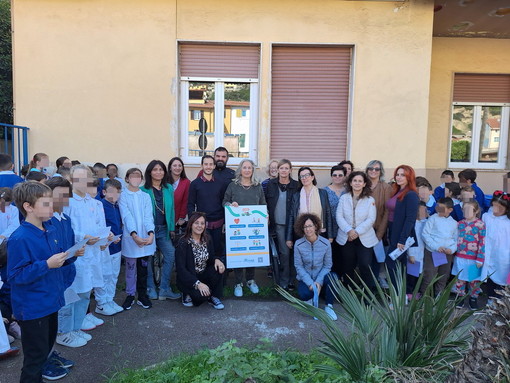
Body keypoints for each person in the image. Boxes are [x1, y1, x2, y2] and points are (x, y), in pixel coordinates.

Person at [7, 182, 72, 382]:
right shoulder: (20, 238)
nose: (52, 207)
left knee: (45, 352)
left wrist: (72, 255)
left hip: (51, 302)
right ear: (28, 207)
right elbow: (16, 276)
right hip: (33, 308)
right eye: (46, 203)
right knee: (34, 360)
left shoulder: (49, 228)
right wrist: (46, 265)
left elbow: (56, 258)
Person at [43, 177, 85, 379]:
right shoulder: (46, 220)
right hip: (52, 274)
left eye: (65, 193)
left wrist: (76, 252)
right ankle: (45, 358)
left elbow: (68, 244)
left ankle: (51, 353)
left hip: (66, 271)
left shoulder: (65, 219)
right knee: (49, 319)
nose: (63, 198)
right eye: (59, 193)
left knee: (62, 307)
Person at [63, 165, 106, 333]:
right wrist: (83, 237)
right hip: (78, 253)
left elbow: (98, 225)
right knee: (75, 291)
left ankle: (79, 324)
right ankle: (70, 329)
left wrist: (103, 237)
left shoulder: (92, 202)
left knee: (87, 290)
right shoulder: (68, 202)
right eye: (77, 179)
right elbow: (67, 229)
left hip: (92, 252)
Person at [223, 159, 266, 297]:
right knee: (238, 254)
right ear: (240, 170)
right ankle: (238, 283)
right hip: (237, 227)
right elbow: (224, 202)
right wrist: (230, 205)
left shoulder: (257, 186)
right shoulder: (232, 186)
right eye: (244, 167)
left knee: (252, 253)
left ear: (253, 170)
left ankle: (250, 280)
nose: (247, 170)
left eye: (249, 168)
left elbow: (263, 204)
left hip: (253, 226)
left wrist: (267, 216)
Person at [141, 160, 180, 301]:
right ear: (150, 172)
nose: (158, 172)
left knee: (171, 255)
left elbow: (172, 209)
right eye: (155, 169)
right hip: (148, 231)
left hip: (164, 230)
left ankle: (164, 289)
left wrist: (172, 228)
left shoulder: (168, 188)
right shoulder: (143, 190)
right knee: (149, 259)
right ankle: (150, 287)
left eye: (161, 169)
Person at [119, 168, 155, 310]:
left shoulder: (145, 196)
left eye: (138, 176)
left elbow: (148, 216)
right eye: (132, 176)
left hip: (146, 238)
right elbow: (126, 216)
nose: (135, 179)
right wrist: (134, 235)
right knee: (130, 268)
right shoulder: (123, 196)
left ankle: (142, 295)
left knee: (143, 269)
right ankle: (129, 295)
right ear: (127, 178)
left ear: (141, 179)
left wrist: (150, 233)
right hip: (131, 238)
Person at [336, 171, 378, 289]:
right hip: (346, 237)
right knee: (348, 266)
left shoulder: (370, 200)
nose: (357, 183)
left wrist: (357, 232)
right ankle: (349, 292)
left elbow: (371, 219)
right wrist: (349, 230)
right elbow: (339, 216)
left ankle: (368, 294)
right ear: (350, 182)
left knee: (365, 265)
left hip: (364, 238)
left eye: (360, 181)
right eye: (355, 181)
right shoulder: (344, 198)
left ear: (364, 184)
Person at [175, 212, 225, 309]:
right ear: (191, 225)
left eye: (202, 223)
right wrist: (198, 284)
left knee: (220, 267)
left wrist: (217, 260)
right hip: (189, 278)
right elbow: (181, 269)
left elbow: (211, 258)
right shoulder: (183, 242)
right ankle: (186, 293)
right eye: (196, 223)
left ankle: (214, 296)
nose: (199, 226)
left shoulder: (207, 239)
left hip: (203, 274)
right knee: (199, 300)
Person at [293, 213, 338, 321]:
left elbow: (328, 265)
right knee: (304, 294)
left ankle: (329, 306)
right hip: (307, 278)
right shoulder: (298, 244)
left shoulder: (325, 243)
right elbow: (298, 266)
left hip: (321, 277)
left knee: (334, 277)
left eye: (310, 226)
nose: (308, 229)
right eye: (305, 227)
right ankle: (313, 300)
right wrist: (310, 283)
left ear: (316, 226)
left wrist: (318, 282)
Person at [188, 155, 227, 270]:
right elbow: (190, 204)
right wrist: (193, 222)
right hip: (202, 226)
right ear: (202, 166)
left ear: (214, 166)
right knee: (203, 253)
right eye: (206, 164)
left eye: (211, 164)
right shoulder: (195, 184)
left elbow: (224, 203)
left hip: (218, 224)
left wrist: (225, 222)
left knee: (217, 252)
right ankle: (203, 278)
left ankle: (218, 278)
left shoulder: (221, 183)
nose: (208, 167)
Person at [266, 159, 299, 290]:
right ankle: (285, 281)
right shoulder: (271, 184)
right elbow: (266, 203)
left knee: (294, 253)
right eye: (281, 168)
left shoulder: (296, 185)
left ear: (290, 170)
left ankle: (292, 279)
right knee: (284, 253)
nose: (284, 170)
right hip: (278, 224)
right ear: (277, 170)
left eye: (286, 168)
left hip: (294, 225)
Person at [384, 165, 419, 287]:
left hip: (401, 236)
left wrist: (402, 239)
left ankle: (397, 297)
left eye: (402, 175)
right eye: (397, 174)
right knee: (399, 265)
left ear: (409, 177)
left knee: (391, 264)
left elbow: (410, 219)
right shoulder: (397, 191)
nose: (399, 177)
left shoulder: (411, 195)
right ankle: (401, 297)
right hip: (393, 232)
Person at [94, 179, 123, 316]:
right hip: (105, 247)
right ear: (104, 192)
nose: (115, 195)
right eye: (112, 191)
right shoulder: (101, 206)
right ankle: (101, 303)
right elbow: (99, 227)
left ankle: (109, 299)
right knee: (104, 275)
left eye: (118, 192)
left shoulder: (116, 206)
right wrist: (108, 237)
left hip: (117, 246)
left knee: (113, 275)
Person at [286, 167, 333, 249]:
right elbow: (291, 217)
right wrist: (289, 238)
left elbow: (328, 214)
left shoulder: (322, 193)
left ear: (312, 177)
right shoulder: (296, 195)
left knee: (319, 258)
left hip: (320, 232)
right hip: (301, 232)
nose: (304, 178)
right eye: (301, 176)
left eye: (307, 175)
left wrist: (330, 235)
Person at [420, 197, 458, 296]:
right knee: (429, 275)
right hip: (433, 252)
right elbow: (425, 234)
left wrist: (451, 249)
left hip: (446, 254)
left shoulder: (454, 223)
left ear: (450, 210)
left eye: (442, 208)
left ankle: (438, 296)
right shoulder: (433, 219)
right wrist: (436, 247)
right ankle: (425, 297)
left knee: (443, 276)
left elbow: (455, 239)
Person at [451, 200, 485, 310]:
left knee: (473, 280)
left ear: (476, 211)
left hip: (474, 258)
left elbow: (482, 242)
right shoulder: (459, 224)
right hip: (460, 256)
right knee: (460, 278)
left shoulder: (480, 225)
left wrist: (480, 258)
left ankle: (473, 298)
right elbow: (454, 239)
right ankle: (460, 296)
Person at [365, 160, 392, 287]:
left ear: (381, 171)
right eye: (371, 168)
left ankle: (373, 288)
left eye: (377, 169)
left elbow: (387, 211)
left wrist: (380, 233)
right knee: (364, 260)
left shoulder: (386, 187)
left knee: (376, 260)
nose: (373, 171)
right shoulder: (362, 185)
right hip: (362, 229)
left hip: (377, 229)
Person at [481, 191, 510, 305]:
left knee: (502, 278)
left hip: (503, 256)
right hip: (487, 253)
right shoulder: (486, 217)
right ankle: (490, 300)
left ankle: (501, 303)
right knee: (489, 278)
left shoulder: (508, 223)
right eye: (495, 206)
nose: (496, 209)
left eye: (500, 207)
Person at [406, 202, 428, 300]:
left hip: (424, 252)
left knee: (420, 274)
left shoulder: (427, 222)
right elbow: (408, 240)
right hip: (414, 252)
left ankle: (418, 291)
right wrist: (410, 254)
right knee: (412, 274)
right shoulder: (412, 223)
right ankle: (410, 292)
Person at [167, 157, 190, 229]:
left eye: (180, 166)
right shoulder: (164, 181)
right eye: (174, 165)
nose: (177, 168)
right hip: (164, 217)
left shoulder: (186, 182)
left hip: (177, 219)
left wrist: (181, 217)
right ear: (170, 168)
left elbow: (185, 201)